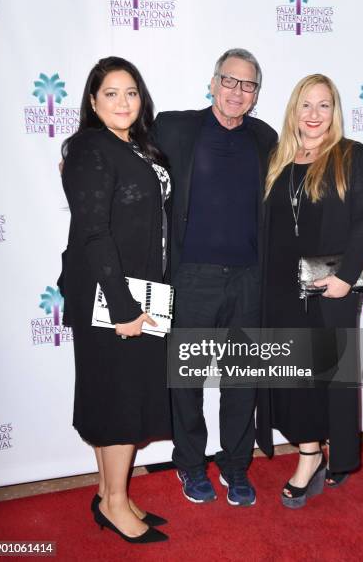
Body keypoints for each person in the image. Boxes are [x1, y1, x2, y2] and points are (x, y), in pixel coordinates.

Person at [153, 49, 278, 506]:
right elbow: (123, 149)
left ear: (256, 95)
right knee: (186, 377)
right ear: (212, 82)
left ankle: (235, 466)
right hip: (191, 277)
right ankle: (189, 464)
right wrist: (77, 155)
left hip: (249, 278)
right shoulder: (174, 127)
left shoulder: (265, 138)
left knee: (242, 379)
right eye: (230, 81)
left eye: (248, 85)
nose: (237, 92)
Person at [256, 74, 363, 508]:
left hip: (329, 288)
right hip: (280, 291)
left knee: (330, 379)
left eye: (323, 105)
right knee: (294, 380)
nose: (313, 114)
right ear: (293, 110)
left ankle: (336, 454)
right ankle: (309, 455)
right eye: (305, 105)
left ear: (335, 111)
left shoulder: (351, 156)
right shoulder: (277, 159)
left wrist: (347, 276)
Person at [60, 57, 171, 542]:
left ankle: (110, 493)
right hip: (113, 296)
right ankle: (115, 501)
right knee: (120, 400)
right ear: (91, 100)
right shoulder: (90, 148)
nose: (123, 102)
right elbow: (93, 233)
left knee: (115, 396)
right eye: (111, 93)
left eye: (131, 92)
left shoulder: (136, 146)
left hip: (140, 290)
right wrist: (123, 308)